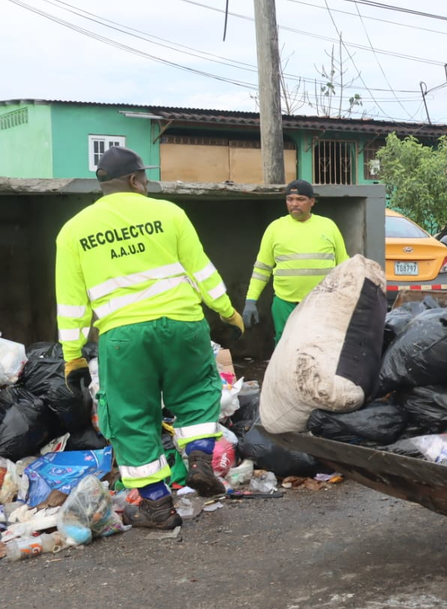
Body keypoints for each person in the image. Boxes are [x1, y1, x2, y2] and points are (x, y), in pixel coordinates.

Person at [55, 146, 244, 529]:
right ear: (133, 179)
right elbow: (201, 271)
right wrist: (226, 312)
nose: (147, 182)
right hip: (183, 324)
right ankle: (200, 458)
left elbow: (72, 303)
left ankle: (157, 506)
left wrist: (73, 356)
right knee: (196, 393)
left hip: (123, 337)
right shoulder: (169, 213)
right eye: (144, 176)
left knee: (131, 416)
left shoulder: (73, 230)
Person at [242, 180, 348, 343]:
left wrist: (348, 298)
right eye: (290, 199)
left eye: (300, 199)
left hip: (322, 302)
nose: (294, 204)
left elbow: (344, 266)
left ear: (312, 201)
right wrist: (251, 300)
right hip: (285, 302)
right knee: (285, 343)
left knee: (320, 344)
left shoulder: (328, 226)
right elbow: (262, 269)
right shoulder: (275, 228)